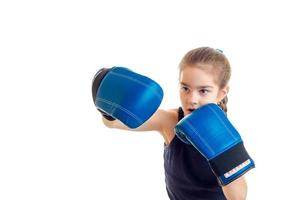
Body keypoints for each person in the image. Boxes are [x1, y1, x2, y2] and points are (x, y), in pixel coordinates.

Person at [93, 47, 253, 200]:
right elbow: (113, 124)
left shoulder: (225, 133)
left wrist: (225, 157)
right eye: (185, 88)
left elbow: (238, 197)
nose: (191, 99)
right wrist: (109, 106)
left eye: (203, 91)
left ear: (221, 93)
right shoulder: (169, 121)